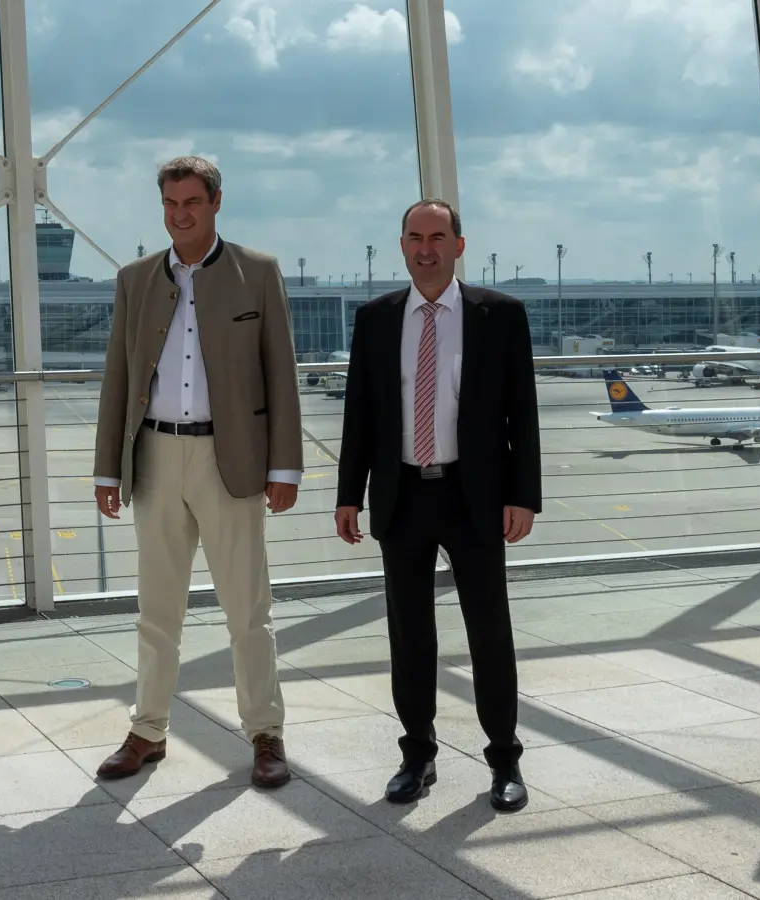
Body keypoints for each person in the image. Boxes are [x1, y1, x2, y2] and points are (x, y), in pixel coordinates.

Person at [92, 156, 303, 788]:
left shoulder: (257, 274)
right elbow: (118, 377)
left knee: (247, 608)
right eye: (169, 203)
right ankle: (147, 730)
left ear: (215, 203)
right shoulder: (135, 279)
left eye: (191, 201)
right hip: (154, 456)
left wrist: (284, 466)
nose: (179, 214)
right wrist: (108, 469)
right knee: (157, 608)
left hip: (229, 459)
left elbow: (281, 374)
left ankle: (265, 734)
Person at [333, 199, 541, 812]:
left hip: (473, 496)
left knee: (489, 630)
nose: (426, 248)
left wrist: (522, 496)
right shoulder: (375, 319)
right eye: (415, 237)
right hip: (401, 494)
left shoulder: (498, 316)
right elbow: (360, 416)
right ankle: (416, 755)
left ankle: (504, 758)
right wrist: (350, 494)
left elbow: (521, 414)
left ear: (459, 244)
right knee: (410, 634)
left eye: (438, 236)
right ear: (402, 245)